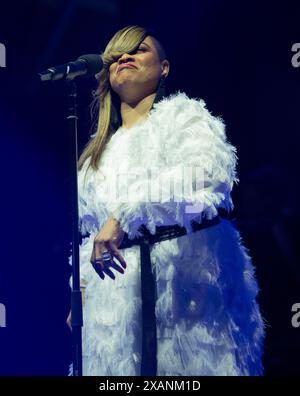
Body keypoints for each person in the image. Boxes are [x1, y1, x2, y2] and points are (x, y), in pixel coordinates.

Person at [67, 24, 265, 376]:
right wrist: (81, 287)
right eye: (117, 54)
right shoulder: (96, 155)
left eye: (139, 50)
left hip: (187, 296)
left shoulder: (184, 117)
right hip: (115, 308)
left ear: (164, 67)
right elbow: (91, 233)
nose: (125, 57)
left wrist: (126, 216)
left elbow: (205, 184)